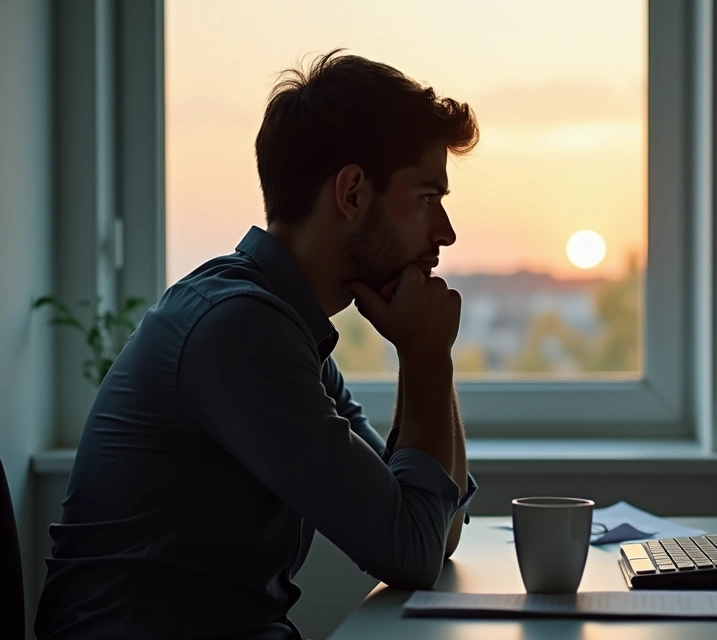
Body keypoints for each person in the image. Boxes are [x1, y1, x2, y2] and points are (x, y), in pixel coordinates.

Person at [35, 49, 478, 640]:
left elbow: (436, 530)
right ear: (352, 193)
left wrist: (430, 357)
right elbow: (414, 549)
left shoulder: (286, 330)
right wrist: (426, 356)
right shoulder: (240, 330)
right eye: (427, 198)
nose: (446, 231)